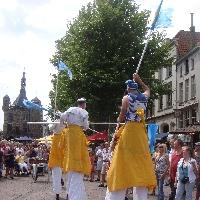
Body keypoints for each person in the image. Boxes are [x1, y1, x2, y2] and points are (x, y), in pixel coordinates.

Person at [105, 73, 156, 200]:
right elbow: (148, 89)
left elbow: (122, 116)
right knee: (140, 159)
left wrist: (118, 118)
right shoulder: (144, 97)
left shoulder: (126, 98)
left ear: (128, 88)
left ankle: (120, 183)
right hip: (140, 132)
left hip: (130, 130)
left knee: (122, 157)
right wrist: (140, 80)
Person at [61, 97, 91, 200]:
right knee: (78, 154)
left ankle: (70, 194)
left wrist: (66, 124)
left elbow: (62, 118)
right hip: (77, 134)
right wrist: (85, 125)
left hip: (69, 133)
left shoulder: (70, 109)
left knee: (70, 153)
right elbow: (86, 127)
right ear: (84, 104)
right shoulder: (83, 111)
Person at [48, 114, 66, 200]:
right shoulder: (64, 122)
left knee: (56, 171)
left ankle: (57, 193)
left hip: (56, 142)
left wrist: (53, 124)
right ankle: (64, 192)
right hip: (62, 142)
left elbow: (50, 128)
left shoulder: (56, 121)